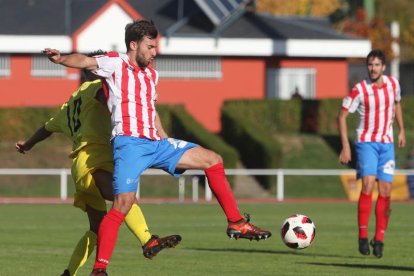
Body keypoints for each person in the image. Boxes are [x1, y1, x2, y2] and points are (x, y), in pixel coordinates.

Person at [43, 19, 271, 276]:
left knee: (213, 159)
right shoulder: (115, 63)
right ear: (133, 44)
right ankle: (99, 270)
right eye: (150, 47)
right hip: (129, 145)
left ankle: (236, 223)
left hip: (156, 143)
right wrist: (61, 59)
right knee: (123, 204)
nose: (154, 52)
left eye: (155, 47)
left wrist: (165, 138)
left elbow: (151, 111)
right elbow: (85, 61)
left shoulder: (152, 74)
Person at [15, 56, 181, 276]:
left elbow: (46, 128)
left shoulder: (69, 104)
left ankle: (69, 273)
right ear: (92, 71)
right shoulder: (97, 86)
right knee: (125, 198)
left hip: (80, 167)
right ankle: (148, 241)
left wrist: (27, 144)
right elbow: (106, 96)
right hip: (94, 161)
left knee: (97, 228)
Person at [338, 49, 406, 258]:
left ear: (383, 67)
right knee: (368, 183)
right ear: (367, 66)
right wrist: (346, 146)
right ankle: (362, 235)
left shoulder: (394, 85)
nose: (373, 68)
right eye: (370, 64)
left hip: (387, 145)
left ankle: (379, 239)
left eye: (377, 65)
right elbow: (341, 117)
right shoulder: (359, 89)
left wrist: (401, 129)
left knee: (386, 190)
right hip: (366, 142)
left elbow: (396, 105)